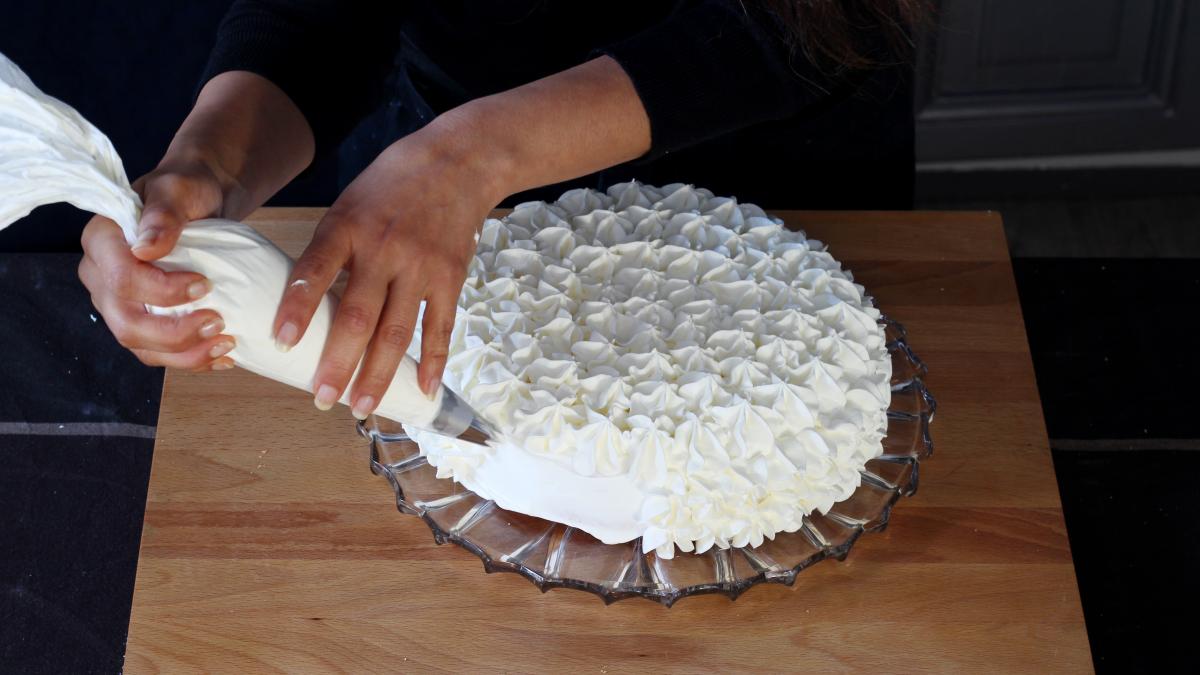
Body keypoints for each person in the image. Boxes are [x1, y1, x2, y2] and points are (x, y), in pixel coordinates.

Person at [77, 0, 924, 421]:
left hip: (781, 163)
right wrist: (208, 164)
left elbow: (820, 14)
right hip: (439, 177)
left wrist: (475, 152)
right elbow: (317, 16)